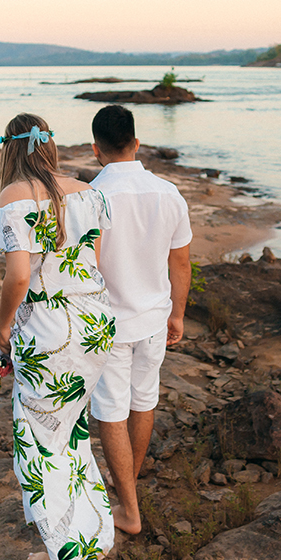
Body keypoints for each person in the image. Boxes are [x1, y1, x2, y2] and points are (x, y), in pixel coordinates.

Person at [0, 112, 116, 560]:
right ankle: (92, 537)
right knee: (71, 432)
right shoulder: (90, 192)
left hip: (50, 330)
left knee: (41, 444)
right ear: (49, 147)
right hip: (95, 324)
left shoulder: (13, 197)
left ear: (9, 150)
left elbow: (19, 275)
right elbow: (93, 264)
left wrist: (1, 330)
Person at [89, 105, 192, 535]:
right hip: (154, 317)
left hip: (109, 323)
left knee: (111, 412)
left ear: (96, 150)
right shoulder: (169, 193)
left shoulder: (90, 196)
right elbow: (182, 263)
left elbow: (84, 267)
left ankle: (129, 510)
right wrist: (178, 315)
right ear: (137, 143)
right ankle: (129, 490)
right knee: (143, 399)